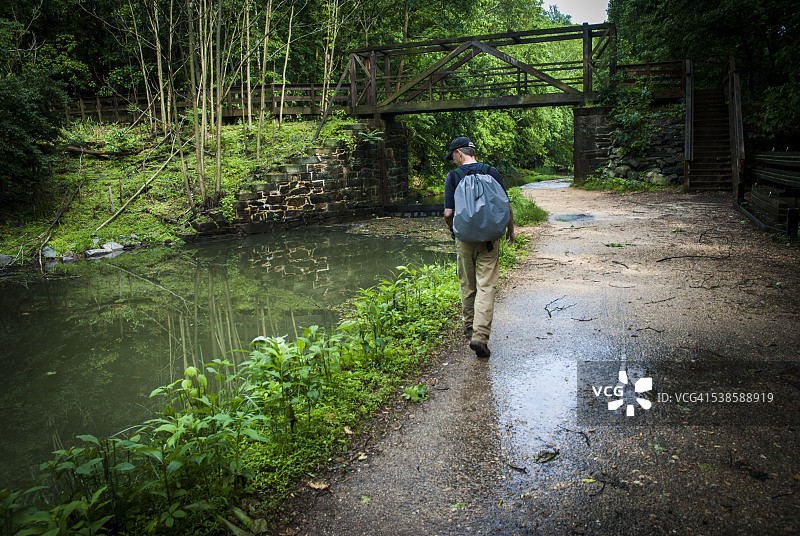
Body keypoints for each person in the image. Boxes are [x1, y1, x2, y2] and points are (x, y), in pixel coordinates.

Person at [442, 137, 514, 358]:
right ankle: (480, 336)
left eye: (452, 157)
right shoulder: (491, 171)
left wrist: (454, 231)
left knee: (467, 284)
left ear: (459, 153)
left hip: (464, 240)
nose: (452, 161)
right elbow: (506, 204)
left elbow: (448, 214)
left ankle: (469, 330)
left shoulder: (454, 177)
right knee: (486, 286)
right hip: (490, 240)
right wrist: (510, 230)